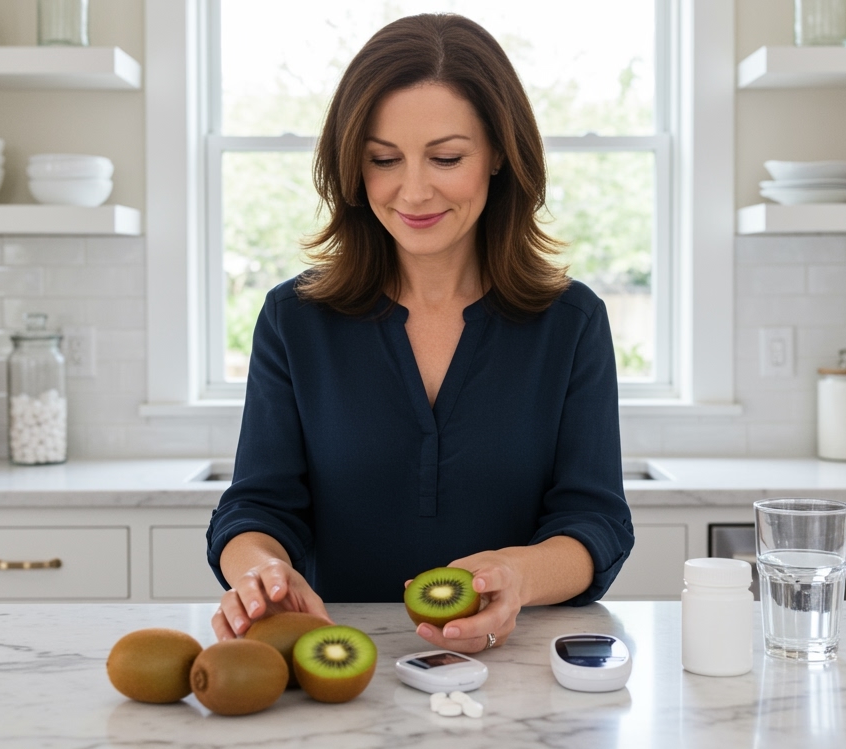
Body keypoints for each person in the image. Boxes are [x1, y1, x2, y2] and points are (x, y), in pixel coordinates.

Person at [207, 13, 633, 655]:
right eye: (384, 159)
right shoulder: (294, 319)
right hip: (341, 670)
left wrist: (515, 576)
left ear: (497, 155)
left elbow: (594, 523)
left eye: (446, 157)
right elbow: (257, 509)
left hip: (520, 674)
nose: (413, 190)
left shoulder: (570, 322)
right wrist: (259, 573)